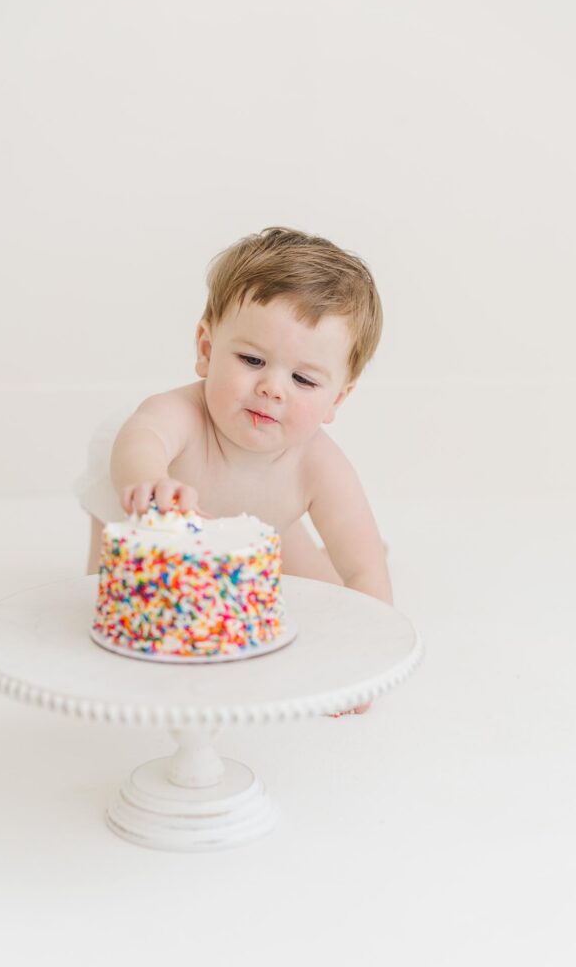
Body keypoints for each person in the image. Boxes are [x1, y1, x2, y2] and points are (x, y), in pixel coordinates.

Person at [78, 226, 392, 714]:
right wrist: (148, 482)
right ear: (206, 349)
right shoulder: (181, 414)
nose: (272, 388)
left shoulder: (319, 464)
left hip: (266, 518)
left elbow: (365, 567)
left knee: (325, 587)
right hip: (153, 512)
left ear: (338, 398)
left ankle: (297, 546)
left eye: (304, 379)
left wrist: (365, 664)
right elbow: (143, 440)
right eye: (251, 359)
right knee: (113, 602)